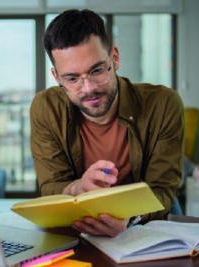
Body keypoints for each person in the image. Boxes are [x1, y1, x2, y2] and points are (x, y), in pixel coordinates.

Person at [30, 9, 184, 237]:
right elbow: (50, 186)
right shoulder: (45, 107)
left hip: (142, 228)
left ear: (115, 57)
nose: (88, 88)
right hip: (79, 231)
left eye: (97, 70)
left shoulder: (163, 104)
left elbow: (161, 190)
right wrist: (79, 187)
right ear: (56, 77)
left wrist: (129, 219)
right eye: (72, 79)